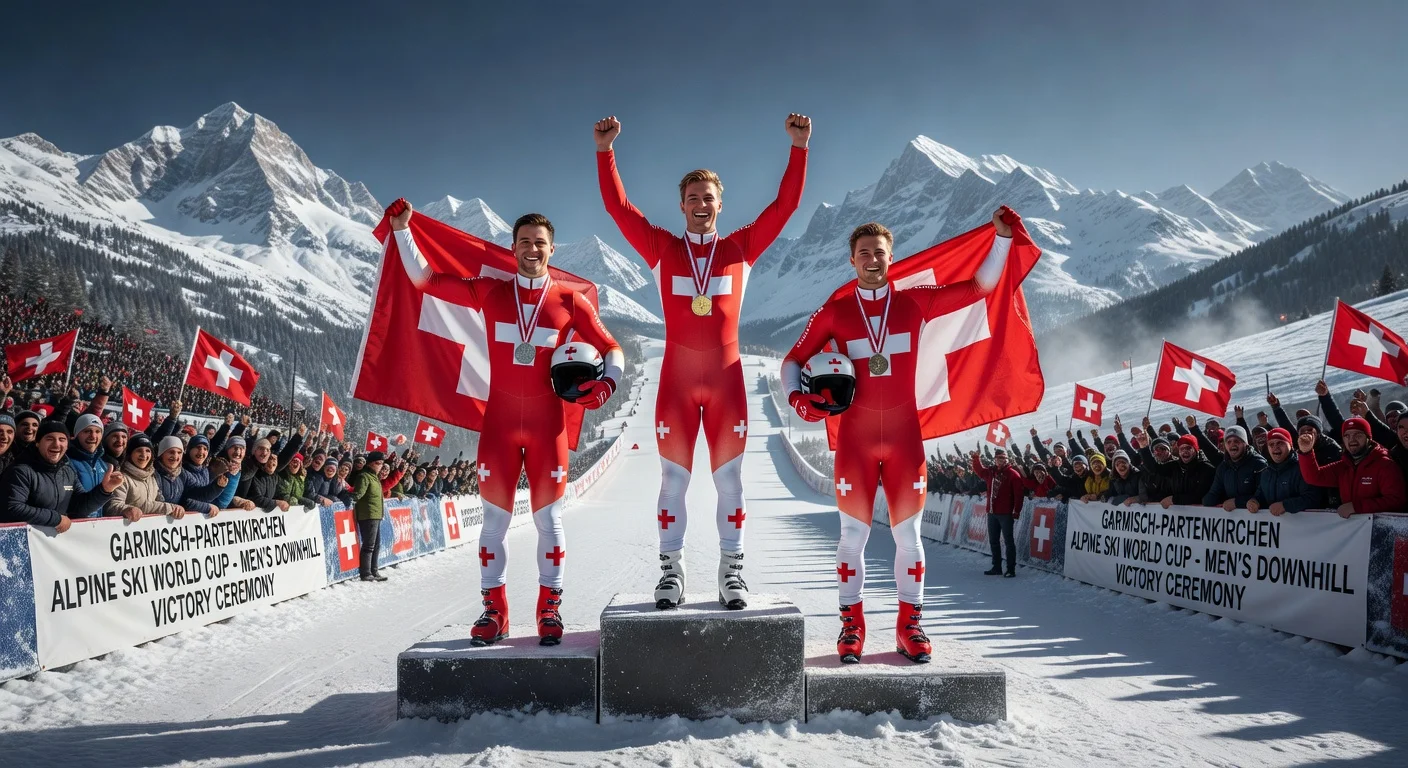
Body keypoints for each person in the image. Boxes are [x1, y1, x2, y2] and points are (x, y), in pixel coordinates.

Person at [781, 210, 1018, 663]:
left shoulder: (913, 302)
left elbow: (978, 289)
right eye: (864, 253)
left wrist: (1002, 241)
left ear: (892, 257)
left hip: (906, 438)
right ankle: (852, 626)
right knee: (852, 536)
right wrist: (797, 400)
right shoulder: (835, 313)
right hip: (856, 440)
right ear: (852, 260)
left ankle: (910, 625)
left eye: (880, 252)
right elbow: (791, 362)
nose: (872, 259)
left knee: (908, 535)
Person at [595, 113, 809, 611]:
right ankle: (671, 571)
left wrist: (798, 148)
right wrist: (606, 154)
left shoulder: (741, 248)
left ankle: (731, 572)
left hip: (727, 380)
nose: (700, 205)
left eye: (708, 197)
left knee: (729, 481)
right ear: (681, 205)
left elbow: (786, 205)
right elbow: (617, 208)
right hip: (676, 379)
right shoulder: (661, 248)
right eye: (692, 197)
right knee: (673, 480)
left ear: (720, 204)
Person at [389, 204, 623, 644]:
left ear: (552, 249)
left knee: (549, 522)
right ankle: (494, 612)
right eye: (524, 242)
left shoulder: (570, 301)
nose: (532, 249)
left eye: (540, 243)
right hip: (497, 426)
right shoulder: (492, 292)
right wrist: (403, 231)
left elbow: (613, 349)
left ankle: (548, 611)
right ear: (512, 248)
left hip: (546, 427)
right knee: (493, 524)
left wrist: (608, 385)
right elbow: (425, 282)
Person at [1, 420, 122, 527]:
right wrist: (55, 519)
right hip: (22, 545)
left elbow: (80, 507)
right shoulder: (21, 471)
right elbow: (12, 508)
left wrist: (105, 490)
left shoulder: (67, 472)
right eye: (49, 439)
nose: (56, 444)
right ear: (37, 443)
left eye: (62, 439)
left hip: (51, 545)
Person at [1297, 417, 1406, 517]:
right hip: (1354, 531)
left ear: (1368, 438)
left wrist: (1357, 507)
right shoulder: (1344, 466)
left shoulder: (1384, 465)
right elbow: (1314, 477)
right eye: (1347, 436)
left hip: (1379, 531)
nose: (1352, 440)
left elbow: (1396, 500)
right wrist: (1306, 452)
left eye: (1357, 435)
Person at [104, 432, 184, 521]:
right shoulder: (121, 477)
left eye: (147, 451)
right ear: (130, 454)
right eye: (139, 450)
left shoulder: (151, 477)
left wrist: (175, 509)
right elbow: (112, 506)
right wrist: (126, 510)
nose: (144, 455)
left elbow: (157, 502)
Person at [971, 447, 1023, 578]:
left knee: (1008, 541)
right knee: (993, 540)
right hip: (992, 512)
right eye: (999, 458)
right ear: (995, 459)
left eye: (1003, 458)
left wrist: (1016, 511)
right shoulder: (991, 472)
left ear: (1007, 459)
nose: (1001, 461)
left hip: (1006, 514)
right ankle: (997, 566)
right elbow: (979, 471)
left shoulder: (1013, 474)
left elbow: (1019, 495)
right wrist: (976, 459)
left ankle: (1011, 569)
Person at [1247, 428, 1322, 515]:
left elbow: (1314, 498)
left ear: (1290, 445)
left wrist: (1286, 505)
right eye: (1271, 444)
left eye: (1280, 443)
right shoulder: (1266, 472)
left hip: (1301, 526)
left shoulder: (1302, 468)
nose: (1275, 447)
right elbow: (1261, 494)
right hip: (1276, 526)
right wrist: (1255, 501)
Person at [1202, 426, 1267, 511]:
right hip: (1234, 519)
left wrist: (1237, 502)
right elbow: (1214, 492)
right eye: (1228, 442)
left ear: (1245, 443)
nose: (1232, 444)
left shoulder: (1259, 464)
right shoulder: (1223, 467)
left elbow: (1264, 495)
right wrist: (1206, 501)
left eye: (1236, 441)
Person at [1143, 434, 1216, 508]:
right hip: (1179, 515)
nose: (1185, 451)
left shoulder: (1206, 468)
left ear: (1195, 449)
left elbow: (1200, 495)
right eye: (1182, 449)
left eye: (1188, 448)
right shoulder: (1175, 466)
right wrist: (1144, 448)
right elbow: (1154, 469)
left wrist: (1174, 499)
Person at [351, 451, 387, 582]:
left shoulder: (374, 477)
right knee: (369, 545)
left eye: (382, 464)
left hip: (376, 514)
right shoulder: (364, 476)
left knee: (376, 544)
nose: (380, 466)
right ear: (371, 463)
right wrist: (350, 498)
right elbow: (358, 493)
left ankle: (374, 570)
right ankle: (366, 572)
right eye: (378, 463)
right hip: (368, 514)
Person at [66, 413, 111, 497]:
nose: (93, 436)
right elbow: (63, 489)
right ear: (77, 434)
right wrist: (71, 489)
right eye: (87, 431)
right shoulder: (66, 461)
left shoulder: (102, 464)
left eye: (97, 431)